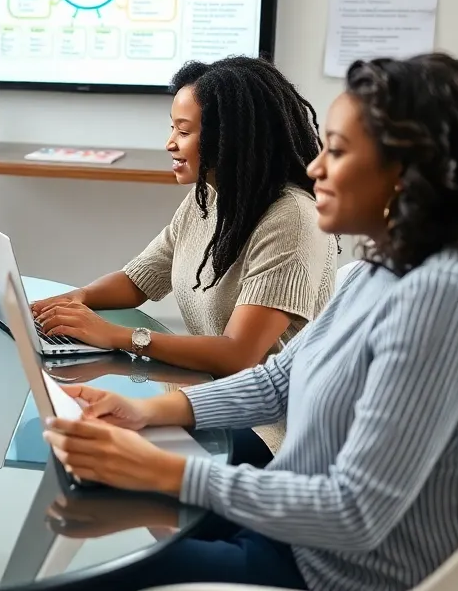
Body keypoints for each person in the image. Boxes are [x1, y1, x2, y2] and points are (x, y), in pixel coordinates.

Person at [0, 53, 458, 591]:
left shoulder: (443, 295)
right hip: (290, 532)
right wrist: (143, 411)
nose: (317, 167)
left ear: (406, 171)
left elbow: (355, 513)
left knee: (37, 584)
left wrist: (164, 470)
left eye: (339, 152)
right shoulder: (379, 269)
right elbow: (278, 379)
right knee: (78, 511)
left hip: (337, 579)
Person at [32, 56, 336, 456]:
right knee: (56, 431)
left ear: (229, 137)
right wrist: (79, 299)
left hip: (270, 430)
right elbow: (137, 280)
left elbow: (240, 355)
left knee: (86, 443)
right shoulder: (209, 198)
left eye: (184, 131)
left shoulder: (292, 218)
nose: (170, 143)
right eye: (172, 128)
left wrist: (119, 336)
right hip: (207, 398)